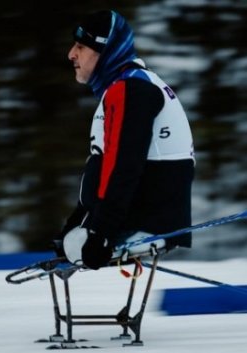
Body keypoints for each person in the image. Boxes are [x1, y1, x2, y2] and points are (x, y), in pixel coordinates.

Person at [53, 10, 195, 270]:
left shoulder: (130, 89)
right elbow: (107, 164)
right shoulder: (129, 84)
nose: (71, 54)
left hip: (145, 224)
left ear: (104, 51)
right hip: (143, 216)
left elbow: (123, 166)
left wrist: (101, 234)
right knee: (71, 243)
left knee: (77, 247)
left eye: (81, 47)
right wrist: (75, 225)